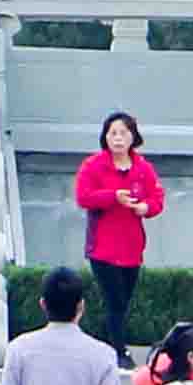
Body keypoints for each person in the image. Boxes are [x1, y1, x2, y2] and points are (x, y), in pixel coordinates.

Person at [70, 116, 163, 354]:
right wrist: (113, 197)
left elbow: (157, 198)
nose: (119, 139)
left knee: (122, 302)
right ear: (105, 137)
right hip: (102, 248)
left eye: (124, 133)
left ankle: (104, 346)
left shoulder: (143, 168)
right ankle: (119, 352)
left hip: (132, 248)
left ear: (133, 137)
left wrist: (146, 208)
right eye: (113, 133)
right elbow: (83, 197)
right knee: (115, 301)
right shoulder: (93, 165)